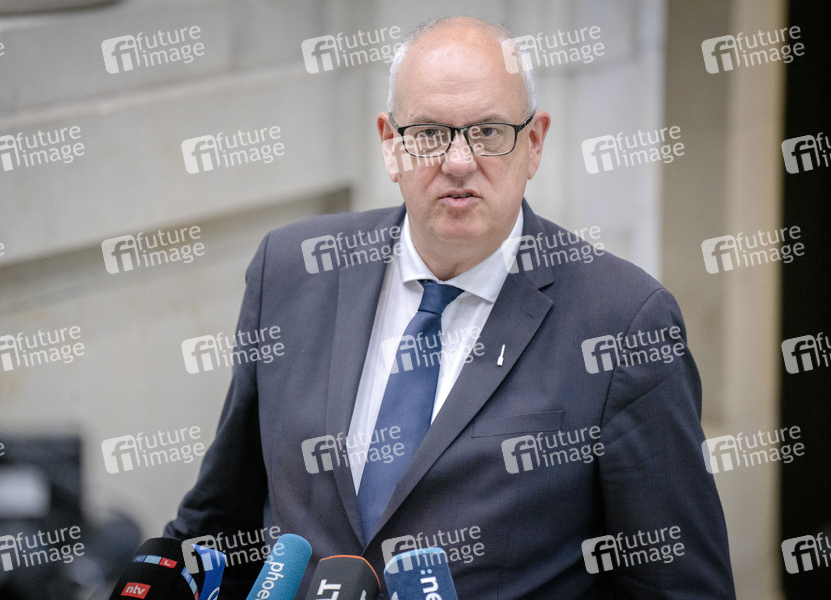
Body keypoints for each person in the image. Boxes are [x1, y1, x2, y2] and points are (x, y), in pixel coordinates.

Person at [165, 16, 736, 599]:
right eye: (430, 132)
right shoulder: (292, 272)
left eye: (488, 131)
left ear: (534, 143)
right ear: (391, 144)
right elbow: (218, 527)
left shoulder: (623, 321)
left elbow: (682, 589)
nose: (459, 161)